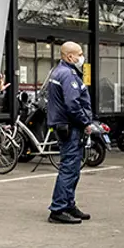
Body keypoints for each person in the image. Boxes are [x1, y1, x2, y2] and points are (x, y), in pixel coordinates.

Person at [45, 41, 97, 225]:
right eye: (79, 54)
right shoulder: (67, 75)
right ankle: (58, 208)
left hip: (66, 126)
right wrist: (85, 122)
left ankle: (68, 204)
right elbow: (72, 104)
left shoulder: (61, 72)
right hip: (70, 127)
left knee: (73, 168)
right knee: (69, 168)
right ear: (69, 56)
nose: (82, 58)